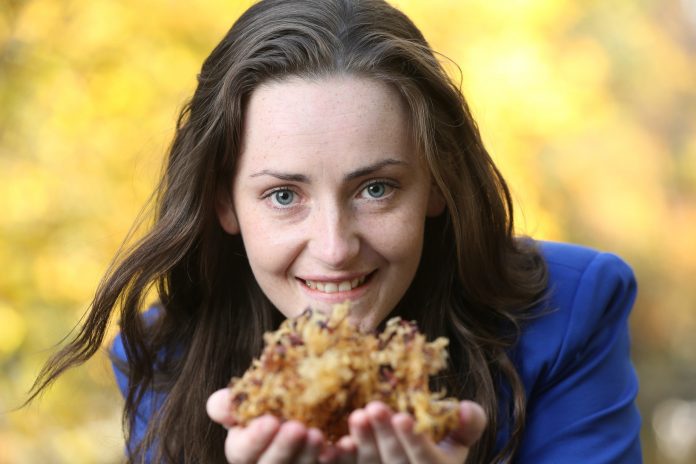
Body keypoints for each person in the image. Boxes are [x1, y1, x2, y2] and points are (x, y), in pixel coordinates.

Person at [29, 0, 642, 462]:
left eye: (376, 189)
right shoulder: (166, 357)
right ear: (224, 203)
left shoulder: (572, 310)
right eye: (284, 195)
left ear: (437, 182)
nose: (335, 248)